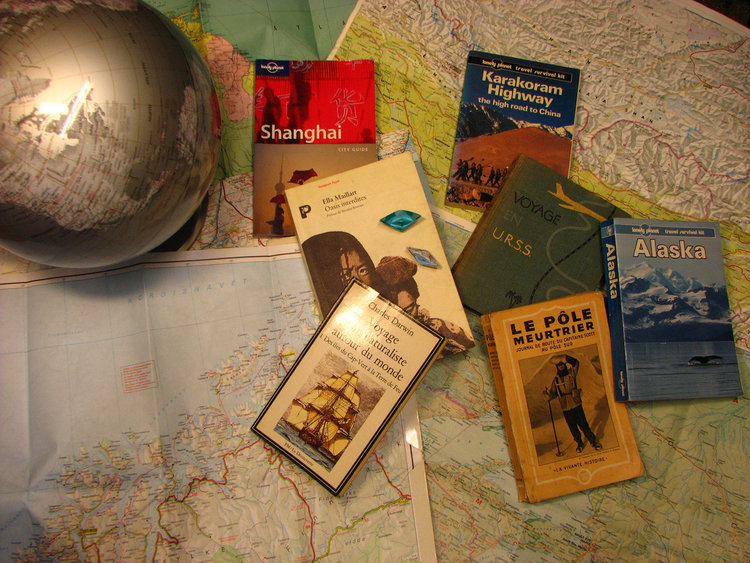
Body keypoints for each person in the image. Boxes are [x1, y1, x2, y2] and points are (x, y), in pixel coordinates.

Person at [543, 354, 601, 453]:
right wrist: (547, 395)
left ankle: (593, 441)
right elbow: (553, 393)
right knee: (572, 427)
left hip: (575, 404)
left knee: (583, 424)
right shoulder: (556, 380)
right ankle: (579, 443)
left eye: (562, 364)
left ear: (565, 365)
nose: (561, 367)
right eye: (559, 365)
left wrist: (565, 358)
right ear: (557, 367)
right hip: (565, 407)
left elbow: (576, 363)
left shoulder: (571, 373)